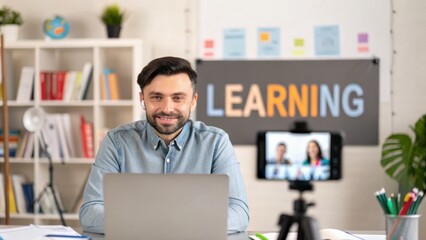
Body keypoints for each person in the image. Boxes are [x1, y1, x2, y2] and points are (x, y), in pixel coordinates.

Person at [79, 56, 250, 234]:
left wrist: (155, 224)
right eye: (157, 97)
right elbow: (90, 212)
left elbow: (239, 212)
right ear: (142, 99)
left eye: (178, 98)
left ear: (193, 100)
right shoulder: (116, 141)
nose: (167, 108)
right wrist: (172, 225)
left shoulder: (216, 142)